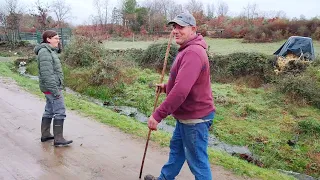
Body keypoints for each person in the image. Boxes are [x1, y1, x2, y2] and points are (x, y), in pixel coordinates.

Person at [144, 12, 216, 180]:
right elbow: (183, 84)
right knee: (176, 152)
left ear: (193, 29)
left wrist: (157, 115)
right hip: (186, 117)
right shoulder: (187, 49)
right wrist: (166, 87)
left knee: (197, 162)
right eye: (174, 27)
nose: (175, 30)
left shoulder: (193, 53)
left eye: (180, 27)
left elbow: (181, 91)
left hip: (195, 119)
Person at [34, 30, 73, 146]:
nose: (58, 40)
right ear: (48, 39)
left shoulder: (50, 51)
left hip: (50, 87)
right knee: (60, 111)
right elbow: (47, 74)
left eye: (58, 38)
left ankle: (45, 135)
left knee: (49, 110)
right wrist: (55, 91)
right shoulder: (45, 52)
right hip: (52, 87)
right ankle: (58, 139)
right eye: (56, 38)